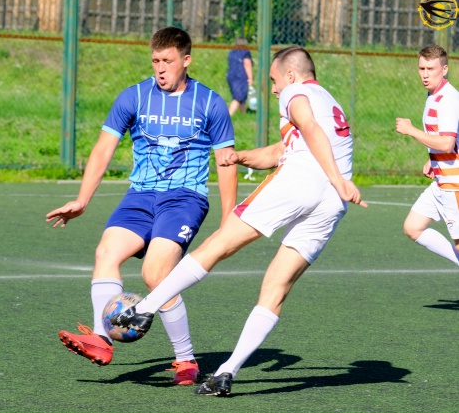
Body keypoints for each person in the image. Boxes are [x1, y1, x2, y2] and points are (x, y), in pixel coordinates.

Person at [113, 45, 367, 396]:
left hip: (304, 182)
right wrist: (242, 157)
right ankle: (225, 373)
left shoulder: (295, 92)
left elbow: (309, 128)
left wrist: (337, 178)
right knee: (276, 287)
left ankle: (143, 309)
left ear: (290, 75)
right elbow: (282, 151)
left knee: (216, 245)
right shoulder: (330, 102)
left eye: (274, 81)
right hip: (331, 203)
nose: (274, 89)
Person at [46, 26, 238, 386]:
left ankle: (186, 360)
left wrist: (230, 219)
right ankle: (102, 340)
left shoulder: (210, 102)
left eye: (168, 61)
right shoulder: (133, 97)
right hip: (140, 196)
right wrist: (82, 199)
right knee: (106, 253)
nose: (160, 68)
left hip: (184, 198)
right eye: (155, 61)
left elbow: (226, 162)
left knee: (156, 274)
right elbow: (103, 148)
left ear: (186, 60)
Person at [395, 44, 459, 266]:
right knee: (413, 227)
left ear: (445, 69)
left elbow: (447, 143)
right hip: (441, 180)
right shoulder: (434, 95)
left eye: (430, 69)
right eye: (421, 68)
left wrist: (411, 131)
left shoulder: (447, 100)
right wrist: (432, 158)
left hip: (454, 184)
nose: (425, 74)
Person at [227, 37, 256, 181]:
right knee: (238, 98)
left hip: (231, 77)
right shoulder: (245, 53)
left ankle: (243, 114)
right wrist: (250, 79)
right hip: (241, 77)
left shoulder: (232, 52)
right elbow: (247, 65)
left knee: (241, 97)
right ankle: (228, 116)